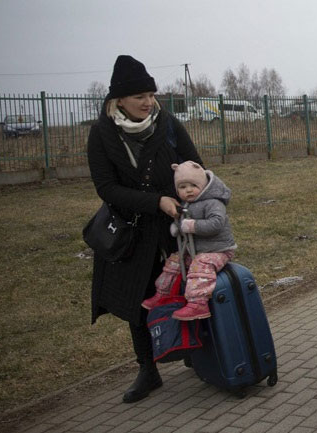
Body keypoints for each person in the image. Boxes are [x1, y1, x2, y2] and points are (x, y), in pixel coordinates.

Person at [86, 55, 203, 403]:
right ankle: (147, 369)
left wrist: (183, 195)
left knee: (187, 292)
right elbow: (106, 188)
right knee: (137, 303)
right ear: (119, 99)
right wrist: (154, 202)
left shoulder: (167, 124)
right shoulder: (102, 133)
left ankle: (195, 352)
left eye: (151, 94)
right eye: (139, 96)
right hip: (131, 233)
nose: (148, 102)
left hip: (174, 229)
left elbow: (196, 167)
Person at [141, 161, 237, 320]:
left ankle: (198, 302)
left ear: (204, 185)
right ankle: (163, 293)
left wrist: (192, 225)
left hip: (219, 249)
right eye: (183, 187)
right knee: (174, 261)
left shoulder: (213, 202)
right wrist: (177, 228)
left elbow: (216, 224)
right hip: (196, 250)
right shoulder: (186, 204)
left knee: (201, 264)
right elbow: (183, 223)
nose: (189, 190)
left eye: (193, 185)